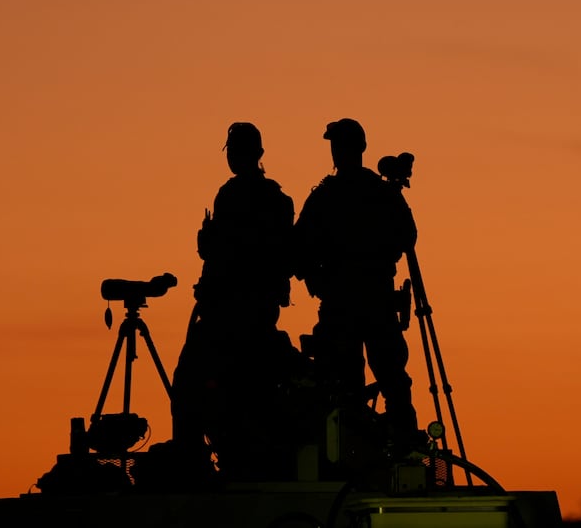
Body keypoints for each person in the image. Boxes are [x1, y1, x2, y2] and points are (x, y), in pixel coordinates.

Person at [171, 122, 295, 477]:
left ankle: (191, 465)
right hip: (248, 315)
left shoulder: (238, 196)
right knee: (238, 396)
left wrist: (211, 244)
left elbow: (233, 253)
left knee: (189, 389)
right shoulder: (272, 199)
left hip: (231, 318)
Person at [292, 118, 419, 439]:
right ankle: (366, 448)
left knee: (385, 379)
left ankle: (396, 444)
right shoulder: (335, 195)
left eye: (342, 146)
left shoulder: (350, 194)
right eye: (335, 146)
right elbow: (299, 249)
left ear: (358, 148)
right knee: (348, 385)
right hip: (350, 305)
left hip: (366, 303)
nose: (338, 153)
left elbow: (406, 237)